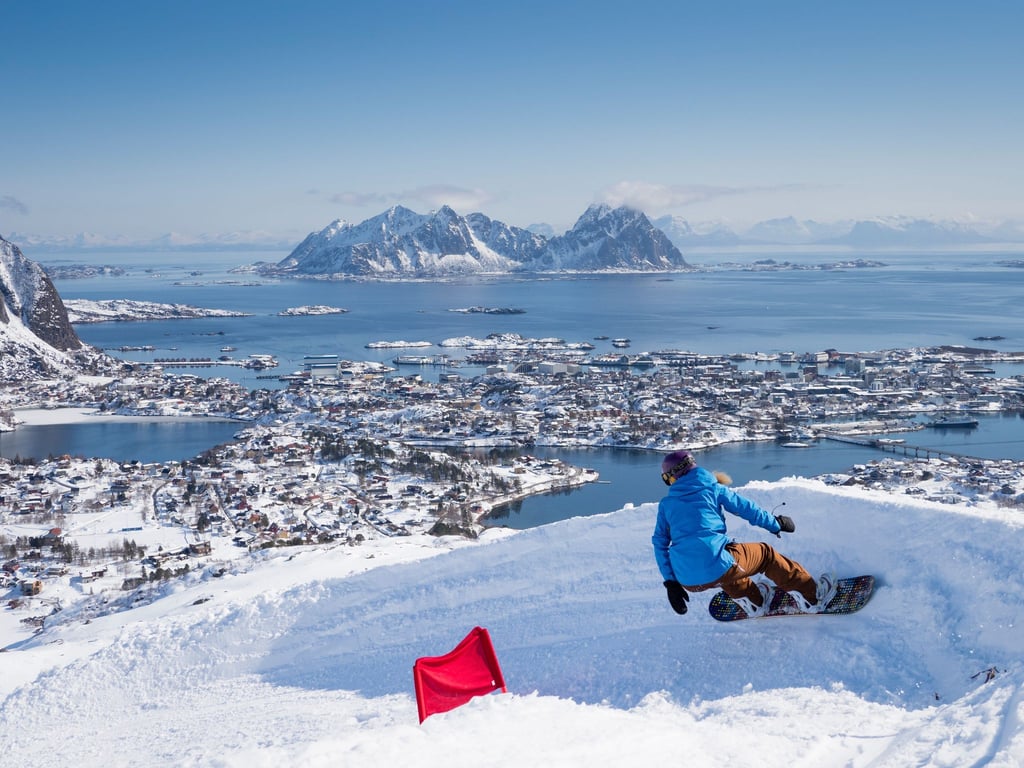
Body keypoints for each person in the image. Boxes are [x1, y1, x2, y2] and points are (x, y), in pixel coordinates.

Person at [652, 449, 836, 618]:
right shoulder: (712, 489)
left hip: (687, 580)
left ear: (675, 476)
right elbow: (747, 509)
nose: (671, 483)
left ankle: (753, 601)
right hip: (715, 564)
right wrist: (775, 524)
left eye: (669, 479)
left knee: (726, 559)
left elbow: (659, 543)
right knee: (764, 554)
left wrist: (671, 583)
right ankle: (813, 596)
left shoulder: (666, 504)